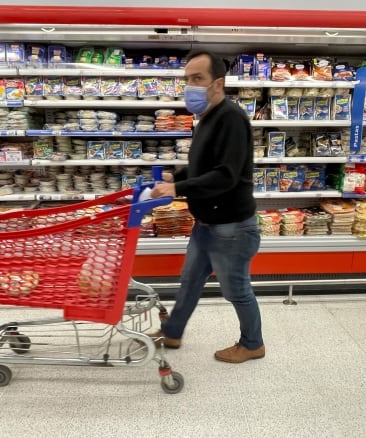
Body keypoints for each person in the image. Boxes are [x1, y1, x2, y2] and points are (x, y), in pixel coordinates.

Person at [150, 50, 264, 364]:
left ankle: (253, 343)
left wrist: (177, 188)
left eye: (197, 78)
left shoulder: (231, 117)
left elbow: (225, 175)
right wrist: (178, 176)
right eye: (187, 79)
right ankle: (172, 332)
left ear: (217, 83)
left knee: (236, 289)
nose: (191, 86)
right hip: (206, 223)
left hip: (232, 227)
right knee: (189, 280)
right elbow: (202, 167)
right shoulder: (207, 119)